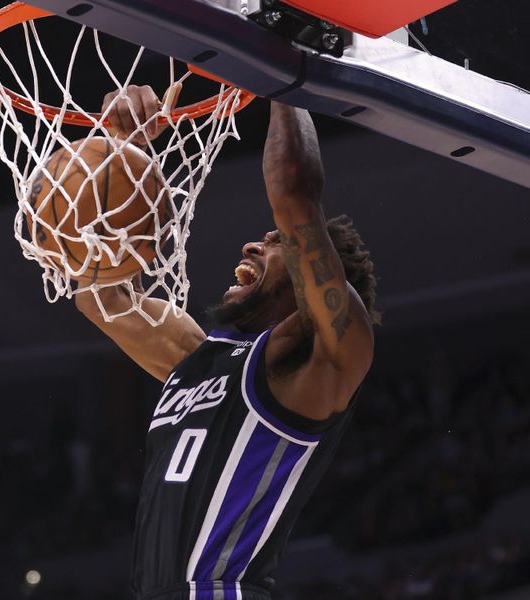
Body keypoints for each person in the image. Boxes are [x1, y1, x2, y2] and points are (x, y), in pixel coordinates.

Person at [76, 87, 381, 600]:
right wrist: (121, 150)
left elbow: (294, 194)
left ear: (314, 272)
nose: (251, 244)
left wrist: (281, 78)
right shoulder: (197, 357)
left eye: (274, 242)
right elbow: (97, 295)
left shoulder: (321, 361)